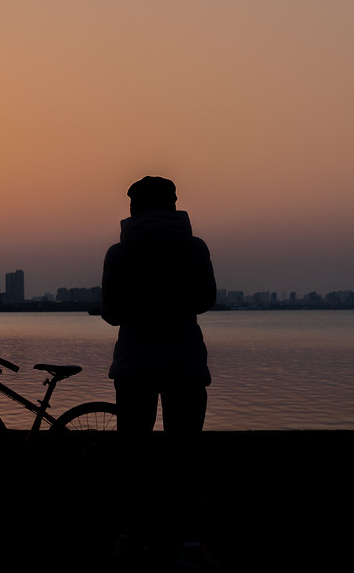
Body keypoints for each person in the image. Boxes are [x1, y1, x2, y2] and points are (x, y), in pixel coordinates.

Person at [101, 176, 218, 568]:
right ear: (173, 206)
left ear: (134, 209)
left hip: (134, 366)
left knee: (132, 459)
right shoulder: (195, 248)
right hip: (184, 363)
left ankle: (130, 539)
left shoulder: (118, 254)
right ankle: (189, 545)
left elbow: (113, 313)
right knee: (186, 457)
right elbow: (205, 300)